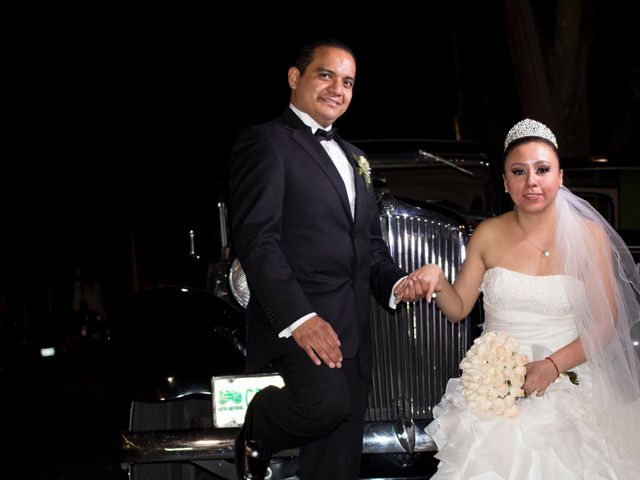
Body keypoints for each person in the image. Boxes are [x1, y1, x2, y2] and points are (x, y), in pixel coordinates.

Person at [396, 118, 640, 479]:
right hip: (495, 393)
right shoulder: (488, 234)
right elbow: (457, 308)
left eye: (542, 169)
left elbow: (605, 324)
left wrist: (553, 366)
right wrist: (437, 279)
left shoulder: (589, 237)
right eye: (519, 171)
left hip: (571, 382)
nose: (532, 182)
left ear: (560, 177)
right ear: (506, 182)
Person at [228, 39, 423, 480]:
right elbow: (257, 241)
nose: (338, 88)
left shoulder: (357, 158)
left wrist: (395, 284)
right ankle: (258, 426)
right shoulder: (266, 142)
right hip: (302, 325)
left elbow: (370, 248)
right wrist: (301, 318)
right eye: (325, 75)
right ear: (295, 78)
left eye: (348, 81)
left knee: (337, 459)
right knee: (323, 406)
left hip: (352, 327)